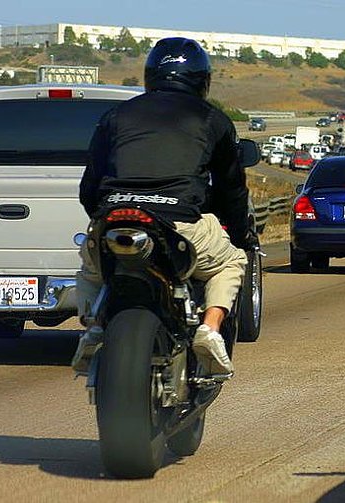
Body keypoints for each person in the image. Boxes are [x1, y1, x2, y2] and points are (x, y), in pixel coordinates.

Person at [72, 37, 252, 377]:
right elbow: (232, 191)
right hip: (178, 223)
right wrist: (238, 234)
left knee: (89, 270)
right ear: (202, 79)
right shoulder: (214, 120)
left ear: (151, 75)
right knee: (232, 261)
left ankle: (93, 326)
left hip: (116, 219)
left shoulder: (116, 115)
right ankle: (211, 329)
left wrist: (105, 213)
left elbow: (89, 187)